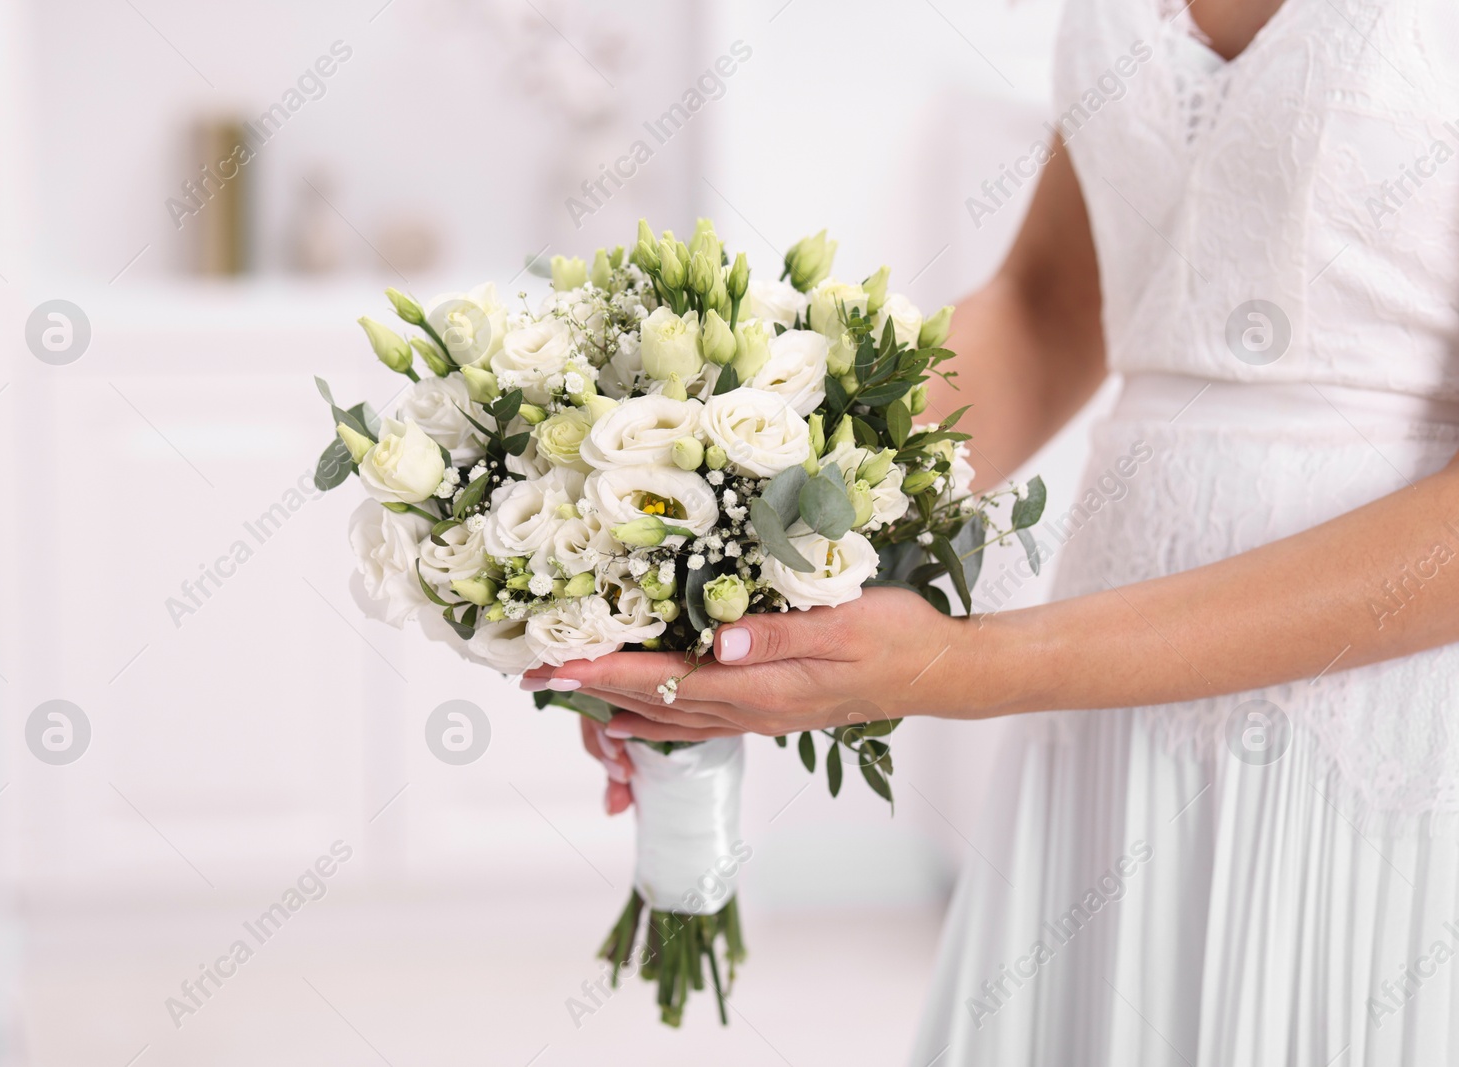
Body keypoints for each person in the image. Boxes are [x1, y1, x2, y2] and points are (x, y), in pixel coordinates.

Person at [526, 0, 1459, 1061]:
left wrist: (971, 669)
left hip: (1383, 717)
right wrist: (735, 551)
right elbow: (1050, 306)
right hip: (1112, 703)